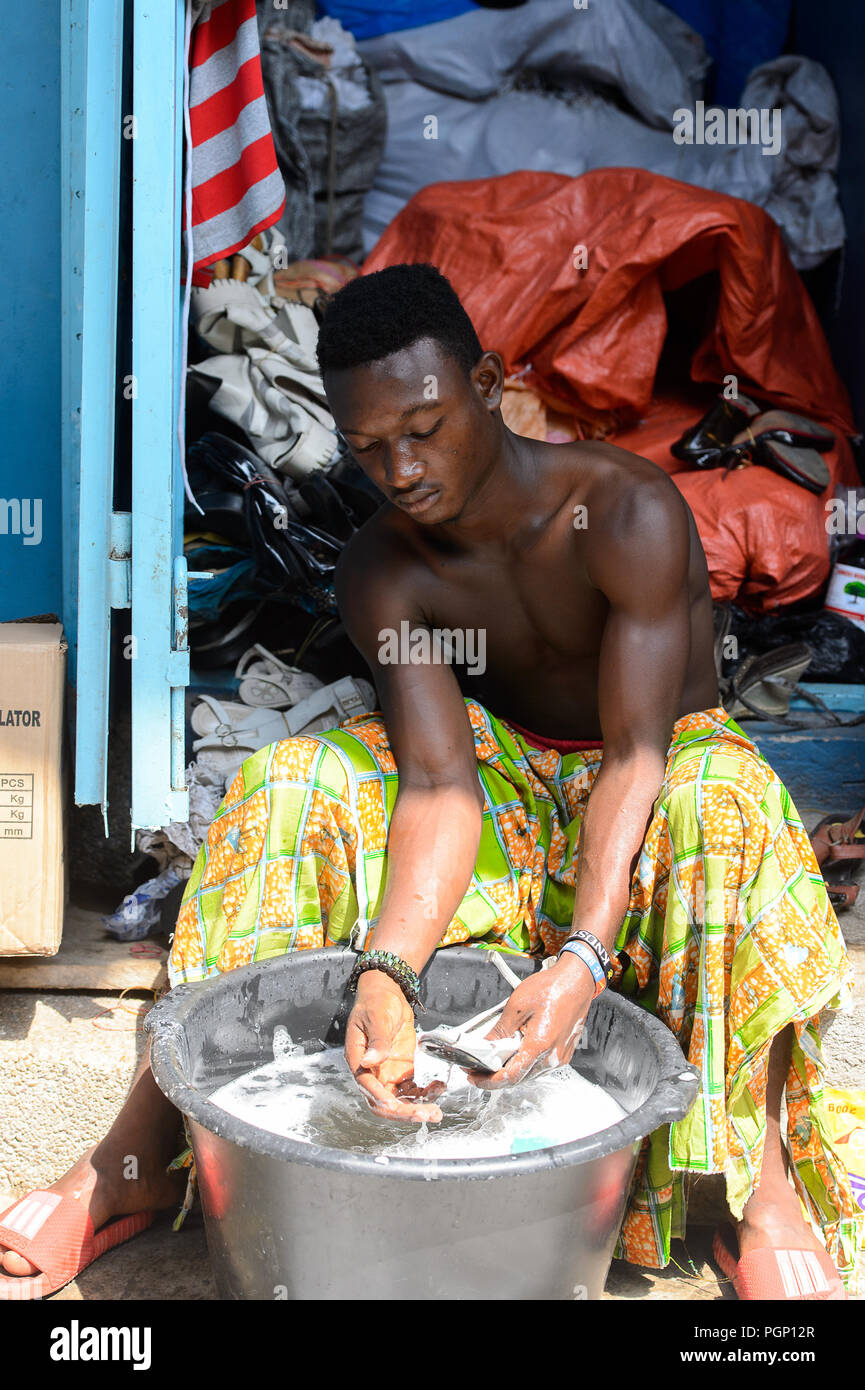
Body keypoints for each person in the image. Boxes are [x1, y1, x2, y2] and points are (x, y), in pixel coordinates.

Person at [1, 263, 859, 1301]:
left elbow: (636, 754)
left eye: (424, 425)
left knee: (723, 799)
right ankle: (131, 1159)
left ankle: (751, 1190)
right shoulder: (384, 567)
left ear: (488, 383)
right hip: (498, 783)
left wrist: (586, 954)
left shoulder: (620, 509)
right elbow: (443, 784)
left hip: (648, 779)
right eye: (369, 446)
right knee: (289, 781)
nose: (401, 467)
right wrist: (389, 975)